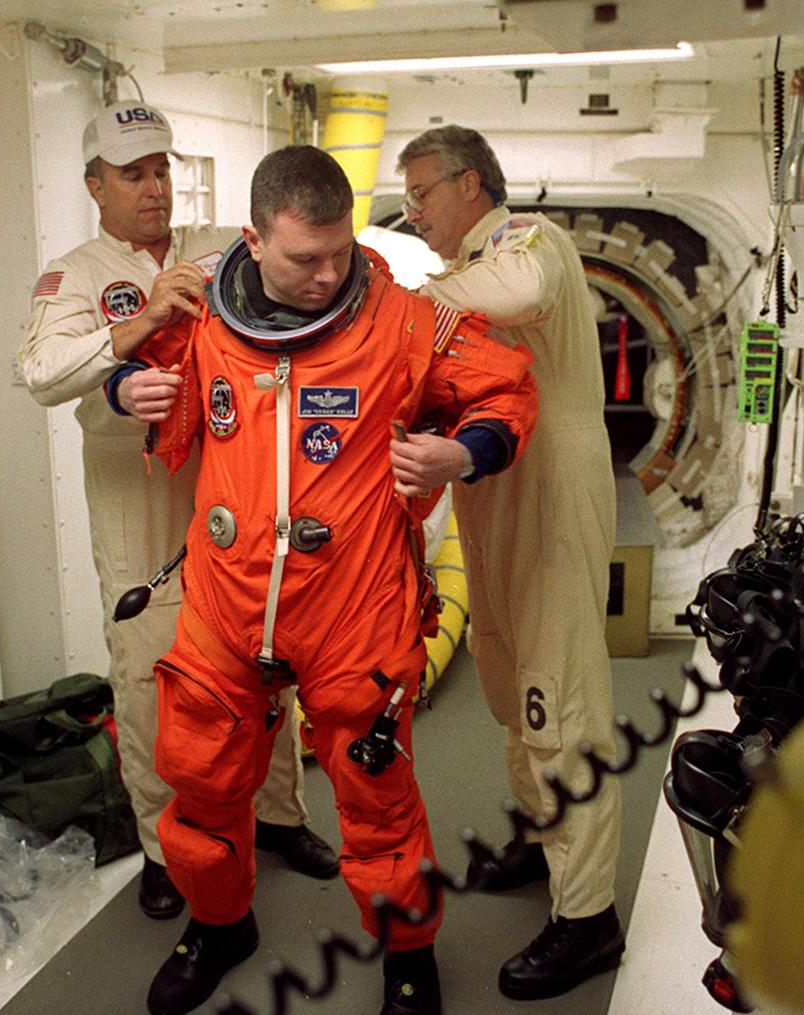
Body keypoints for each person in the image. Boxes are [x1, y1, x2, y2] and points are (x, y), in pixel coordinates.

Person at [122, 144, 537, 1015]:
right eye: (304, 258)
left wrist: (464, 450)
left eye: (340, 252)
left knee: (377, 802)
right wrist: (131, 388)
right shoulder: (204, 313)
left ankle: (408, 957)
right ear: (254, 239)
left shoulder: (405, 322)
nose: (326, 274)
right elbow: (139, 363)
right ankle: (219, 922)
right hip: (227, 601)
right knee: (198, 778)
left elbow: (503, 392)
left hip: (355, 604)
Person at [18, 101, 337, 923]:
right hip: (138, 495)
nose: (155, 186)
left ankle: (277, 817)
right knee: (150, 675)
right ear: (95, 185)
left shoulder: (222, 249)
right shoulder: (77, 272)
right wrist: (133, 341)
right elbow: (43, 372)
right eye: (134, 173)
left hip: (238, 478)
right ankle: (166, 847)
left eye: (162, 167)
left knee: (264, 659)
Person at [394, 125, 625, 1001]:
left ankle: (588, 916)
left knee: (559, 696)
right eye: (408, 196)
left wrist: (416, 294)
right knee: (504, 677)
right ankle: (540, 835)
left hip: (552, 492)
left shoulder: (529, 242)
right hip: (489, 488)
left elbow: (519, 291)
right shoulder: (457, 286)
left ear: (472, 184)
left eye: (423, 192)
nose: (413, 210)